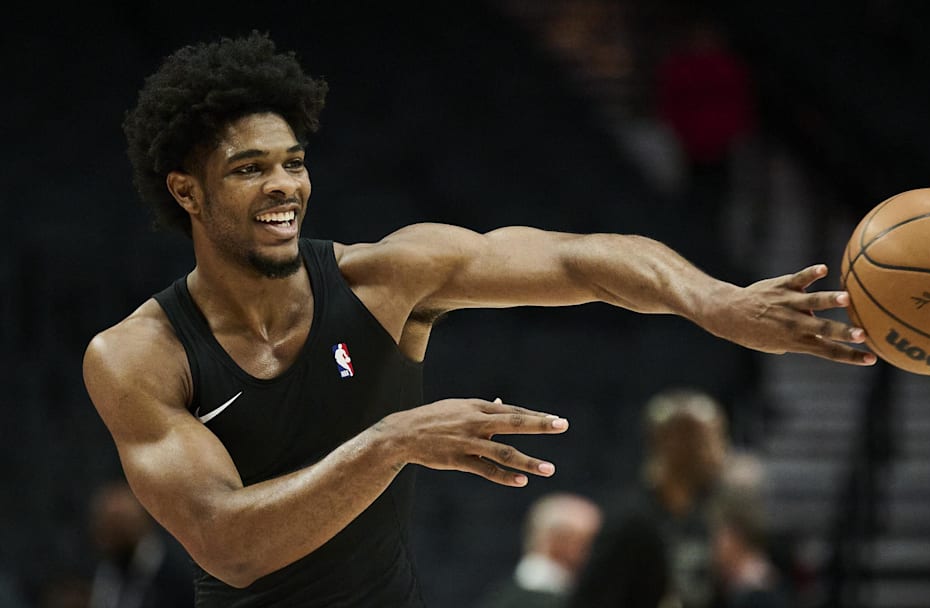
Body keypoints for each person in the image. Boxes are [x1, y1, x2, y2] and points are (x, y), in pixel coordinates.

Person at [81, 31, 875, 607]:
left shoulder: (384, 278)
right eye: (250, 170)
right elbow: (230, 545)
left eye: (293, 161)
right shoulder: (137, 357)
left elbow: (581, 260)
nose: (284, 185)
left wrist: (714, 301)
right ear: (187, 192)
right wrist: (391, 441)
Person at [568, 388, 732, 608]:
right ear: (669, 442)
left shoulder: (706, 517)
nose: (717, 453)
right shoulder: (631, 524)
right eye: (705, 441)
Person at [475, 492, 602, 608]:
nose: (596, 548)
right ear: (557, 541)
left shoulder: (508, 592)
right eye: (590, 539)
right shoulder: (539, 599)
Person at [87, 480, 193, 608]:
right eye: (105, 527)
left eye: (118, 526)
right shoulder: (104, 572)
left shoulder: (176, 575)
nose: (109, 537)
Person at [708, 499, 790, 608]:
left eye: (722, 542)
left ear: (738, 543)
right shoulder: (732, 582)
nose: (716, 552)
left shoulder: (758, 586)